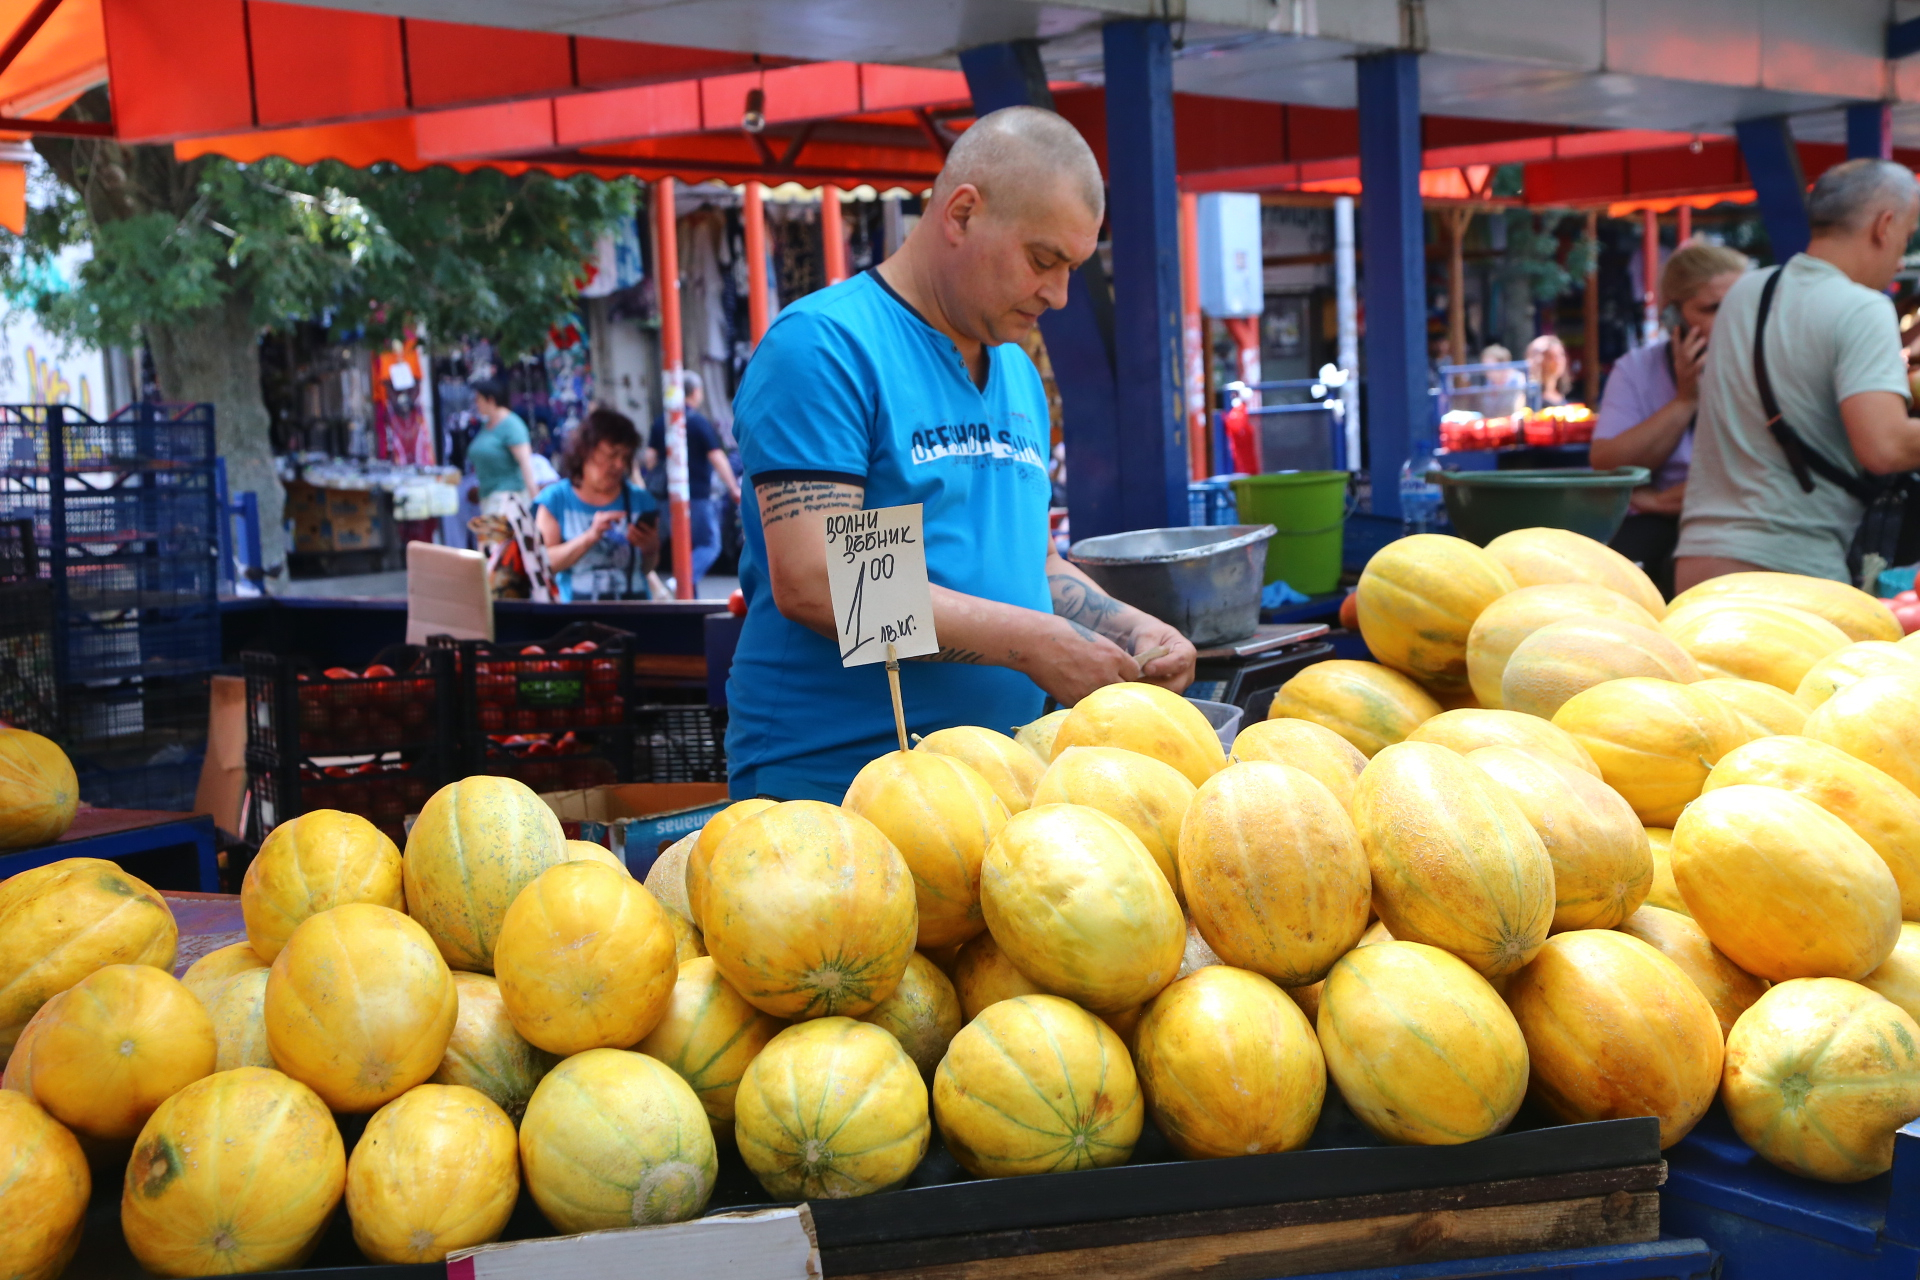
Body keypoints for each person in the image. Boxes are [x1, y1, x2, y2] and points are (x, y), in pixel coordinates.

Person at [724, 104, 1198, 802]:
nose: (1060, 295)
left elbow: (1031, 563)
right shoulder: (826, 347)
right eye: (1044, 260)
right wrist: (1032, 643)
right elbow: (818, 577)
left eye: (1073, 268)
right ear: (962, 213)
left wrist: (1129, 627)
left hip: (997, 788)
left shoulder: (1014, 373)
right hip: (834, 793)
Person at [1677, 159, 1920, 590]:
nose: (1901, 258)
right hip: (1790, 575)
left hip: (1699, 565)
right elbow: (1884, 446)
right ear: (1884, 226)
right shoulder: (1863, 308)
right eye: (1907, 235)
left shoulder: (1747, 292)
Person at [1589, 243, 1748, 596]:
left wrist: (1658, 499)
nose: (1732, 319)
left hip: (1733, 526)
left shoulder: (1765, 370)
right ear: (1674, 318)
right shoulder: (1637, 370)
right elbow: (1607, 464)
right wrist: (1684, 401)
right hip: (1653, 526)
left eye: (1741, 306)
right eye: (1713, 308)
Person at [534, 408, 661, 602]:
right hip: (575, 616)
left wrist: (650, 549)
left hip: (635, 610)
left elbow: (645, 568)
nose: (619, 465)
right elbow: (544, 563)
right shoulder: (555, 499)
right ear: (586, 451)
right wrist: (589, 538)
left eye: (625, 457)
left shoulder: (641, 501)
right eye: (612, 455)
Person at [644, 370, 741, 591]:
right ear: (695, 392)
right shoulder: (698, 423)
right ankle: (683, 579)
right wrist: (733, 487)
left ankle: (686, 587)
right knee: (709, 544)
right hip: (697, 495)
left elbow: (650, 460)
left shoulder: (662, 422)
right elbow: (717, 458)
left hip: (665, 497)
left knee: (680, 545)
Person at [466, 379, 540, 515]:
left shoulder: (512, 425)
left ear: (490, 399)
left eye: (478, 399)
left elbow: (526, 465)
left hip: (508, 500)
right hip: (489, 498)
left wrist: (536, 504)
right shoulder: (487, 425)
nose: (476, 404)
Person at [1526, 334, 1571, 407]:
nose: (1558, 361)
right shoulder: (1530, 397)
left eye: (1561, 355)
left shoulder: (1559, 394)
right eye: (1550, 357)